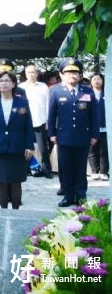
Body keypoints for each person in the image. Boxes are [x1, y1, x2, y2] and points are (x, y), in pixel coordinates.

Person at [48, 58, 98, 207]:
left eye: (75, 72)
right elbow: (51, 115)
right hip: (63, 137)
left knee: (81, 168)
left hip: (83, 137)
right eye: (68, 72)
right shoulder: (55, 91)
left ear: (80, 75)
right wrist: (52, 133)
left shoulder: (88, 91)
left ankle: (81, 196)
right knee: (66, 168)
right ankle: (68, 196)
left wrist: (94, 134)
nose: (72, 75)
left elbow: (94, 115)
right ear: (62, 74)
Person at [0, 70, 34, 209]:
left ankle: (16, 209)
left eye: (7, 80)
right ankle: (3, 210)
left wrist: (29, 145)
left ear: (13, 84)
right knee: (1, 181)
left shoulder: (22, 102)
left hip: (17, 147)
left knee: (16, 181)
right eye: (1, 81)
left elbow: (28, 125)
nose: (3, 83)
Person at [19, 64, 54, 179]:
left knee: (44, 148)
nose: (31, 74)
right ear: (25, 73)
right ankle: (24, 170)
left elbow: (48, 104)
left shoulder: (43, 86)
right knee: (24, 148)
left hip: (40, 121)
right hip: (24, 122)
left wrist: (48, 120)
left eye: (34, 72)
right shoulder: (21, 87)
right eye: (29, 72)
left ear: (37, 73)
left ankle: (47, 170)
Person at [88, 73, 108, 180]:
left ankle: (104, 172)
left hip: (105, 126)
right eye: (94, 79)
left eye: (99, 79)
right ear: (91, 82)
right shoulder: (87, 94)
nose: (97, 81)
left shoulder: (108, 93)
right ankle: (95, 171)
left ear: (103, 81)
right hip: (91, 127)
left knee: (104, 150)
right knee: (92, 150)